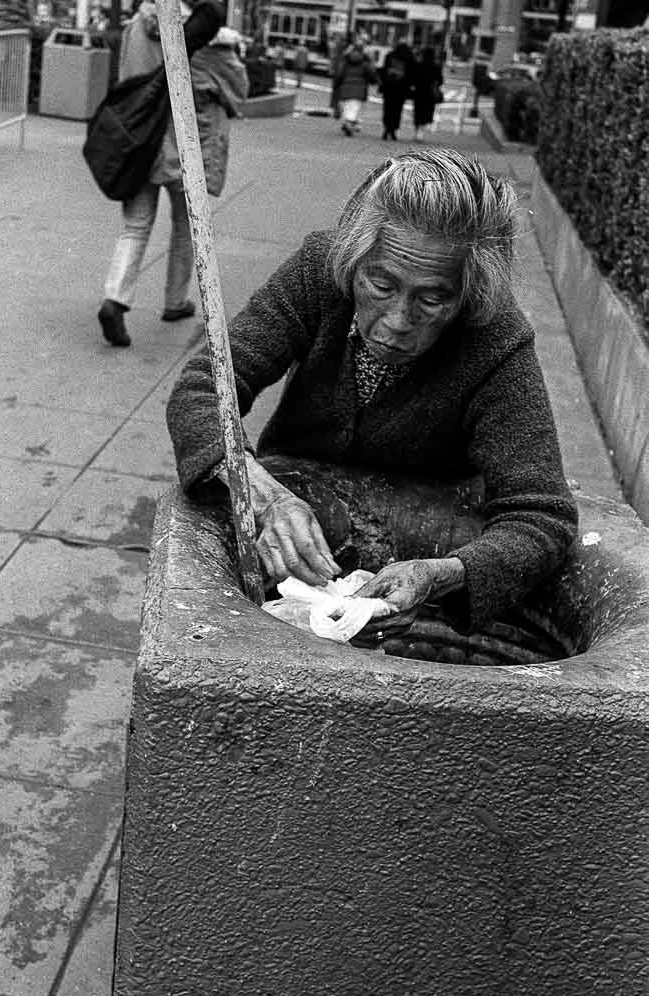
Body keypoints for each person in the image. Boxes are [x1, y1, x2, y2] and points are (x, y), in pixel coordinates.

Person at [166, 148, 578, 658]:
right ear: (354, 262)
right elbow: (205, 389)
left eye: (432, 299)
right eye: (381, 285)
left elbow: (541, 516)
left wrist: (442, 574)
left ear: (467, 292)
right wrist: (265, 498)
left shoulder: (495, 341)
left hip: (415, 561)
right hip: (295, 515)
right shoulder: (319, 274)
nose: (399, 320)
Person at [98, 0, 224, 349]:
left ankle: (115, 300)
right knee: (186, 225)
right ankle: (174, 300)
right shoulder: (190, 29)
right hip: (177, 145)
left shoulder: (133, 25)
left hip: (137, 144)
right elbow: (217, 82)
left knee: (135, 227)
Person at [187, 25, 249, 198]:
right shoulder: (222, 58)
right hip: (208, 123)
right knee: (191, 197)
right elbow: (240, 90)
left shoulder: (188, 48)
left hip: (169, 124)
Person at [332, 35, 376, 136]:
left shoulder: (346, 62)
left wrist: (337, 85)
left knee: (347, 107)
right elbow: (371, 75)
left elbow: (339, 74)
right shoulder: (365, 63)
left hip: (345, 88)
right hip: (359, 90)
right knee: (354, 107)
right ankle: (349, 124)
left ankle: (348, 123)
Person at [380, 40, 414, 141]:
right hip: (401, 88)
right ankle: (393, 129)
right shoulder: (408, 58)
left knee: (387, 108)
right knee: (397, 110)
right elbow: (411, 74)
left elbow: (384, 70)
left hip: (389, 87)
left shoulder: (390, 56)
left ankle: (386, 129)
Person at [411, 42, 443, 141]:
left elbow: (414, 79)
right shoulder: (436, 66)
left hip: (419, 92)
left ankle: (417, 132)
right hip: (430, 93)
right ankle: (421, 132)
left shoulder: (419, 65)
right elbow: (440, 80)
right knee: (426, 112)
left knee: (418, 111)